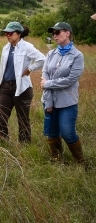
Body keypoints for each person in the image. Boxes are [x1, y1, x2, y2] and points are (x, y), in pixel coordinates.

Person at [41, 22, 84, 163]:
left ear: (68, 33)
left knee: (67, 133)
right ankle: (57, 159)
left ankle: (79, 161)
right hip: (50, 99)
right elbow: (45, 74)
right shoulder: (51, 54)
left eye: (57, 32)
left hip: (67, 101)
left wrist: (49, 83)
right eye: (53, 33)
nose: (54, 35)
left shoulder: (77, 56)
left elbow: (70, 80)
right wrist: (48, 100)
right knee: (52, 132)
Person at [0, 22, 45, 143]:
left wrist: (30, 69)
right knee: (1, 116)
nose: (7, 35)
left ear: (19, 34)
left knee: (23, 119)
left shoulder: (27, 46)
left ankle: (25, 146)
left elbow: (42, 59)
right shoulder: (6, 48)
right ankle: (3, 143)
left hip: (22, 88)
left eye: (10, 33)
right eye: (6, 33)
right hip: (6, 86)